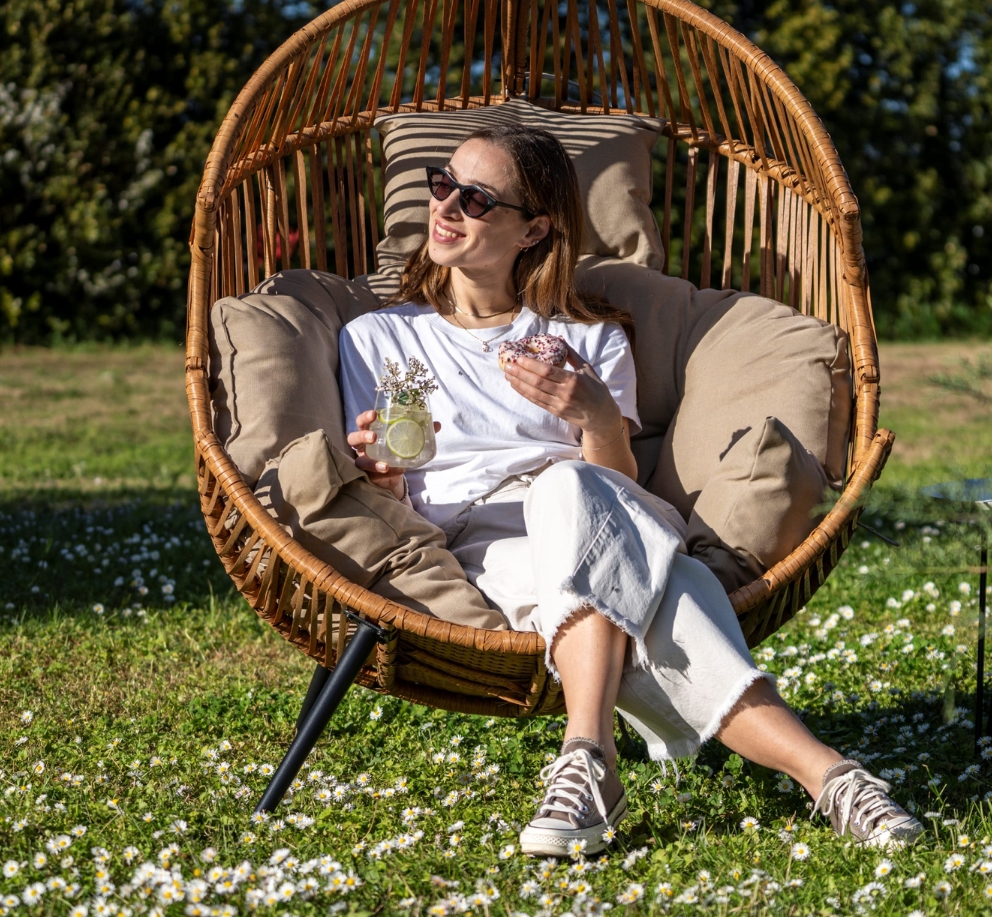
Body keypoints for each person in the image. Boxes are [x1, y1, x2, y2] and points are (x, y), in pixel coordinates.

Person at [338, 123, 922, 857]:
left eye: (477, 198)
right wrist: (385, 481)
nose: (447, 208)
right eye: (442, 184)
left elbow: (617, 488)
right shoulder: (378, 339)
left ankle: (587, 752)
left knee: (567, 488)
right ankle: (834, 778)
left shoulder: (586, 337)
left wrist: (593, 413)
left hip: (604, 507)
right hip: (487, 546)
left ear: (534, 230)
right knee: (667, 595)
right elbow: (402, 503)